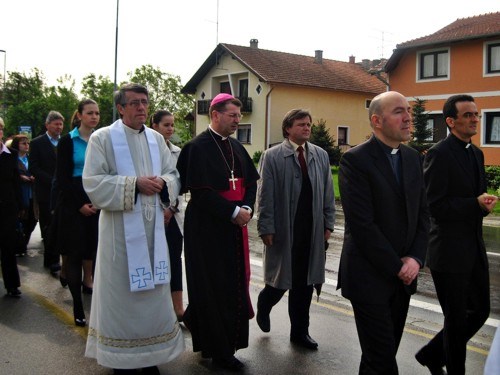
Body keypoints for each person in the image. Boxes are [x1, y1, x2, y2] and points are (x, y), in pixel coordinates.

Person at [82, 83, 184, 374]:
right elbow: (93, 182)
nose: (142, 107)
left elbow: (172, 173)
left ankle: (149, 355)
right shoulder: (103, 138)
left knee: (152, 296)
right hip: (119, 239)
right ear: (120, 108)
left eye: (145, 102)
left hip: (153, 233)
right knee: (123, 298)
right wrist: (134, 184)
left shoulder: (155, 139)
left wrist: (164, 183)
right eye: (135, 102)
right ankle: (123, 361)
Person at [337, 91, 429, 374]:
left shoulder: (413, 158)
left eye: (409, 111)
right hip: (369, 276)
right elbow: (362, 225)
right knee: (383, 359)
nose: (408, 117)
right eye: (399, 111)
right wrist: (397, 265)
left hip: (403, 279)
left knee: (379, 355)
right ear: (377, 120)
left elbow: (422, 214)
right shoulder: (355, 161)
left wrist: (415, 258)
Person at [176, 93, 259, 371]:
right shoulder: (196, 147)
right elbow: (199, 192)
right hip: (207, 230)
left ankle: (224, 340)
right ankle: (219, 352)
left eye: (239, 116)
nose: (238, 120)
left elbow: (250, 182)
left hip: (234, 229)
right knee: (212, 287)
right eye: (233, 115)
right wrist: (234, 213)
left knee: (233, 285)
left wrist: (246, 207)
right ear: (215, 114)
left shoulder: (236, 147)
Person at [416, 94, 498, 375]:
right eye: (468, 115)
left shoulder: (476, 153)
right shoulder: (439, 154)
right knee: (456, 320)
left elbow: (475, 198)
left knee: (480, 312)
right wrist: (473, 204)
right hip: (448, 251)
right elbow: (434, 206)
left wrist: (483, 205)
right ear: (451, 121)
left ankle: (431, 353)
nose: (475, 119)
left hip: (474, 248)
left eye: (476, 114)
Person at [256, 109, 335, 350]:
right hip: (283, 230)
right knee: (280, 281)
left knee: (305, 284)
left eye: (309, 124)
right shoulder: (272, 156)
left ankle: (300, 332)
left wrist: (329, 223)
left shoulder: (320, 155)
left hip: (311, 231)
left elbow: (328, 193)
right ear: (288, 128)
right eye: (301, 124)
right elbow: (265, 195)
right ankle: (264, 305)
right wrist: (266, 227)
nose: (307, 128)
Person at [53, 99, 100, 327]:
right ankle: (78, 306)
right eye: (90, 113)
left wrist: (98, 202)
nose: (94, 117)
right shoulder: (67, 142)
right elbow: (62, 178)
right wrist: (80, 205)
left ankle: (89, 287)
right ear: (79, 115)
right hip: (73, 202)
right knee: (74, 254)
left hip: (95, 200)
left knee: (92, 251)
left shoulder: (101, 140)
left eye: (97, 113)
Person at [150, 110, 185, 321]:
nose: (170, 129)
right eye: (166, 125)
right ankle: (156, 308)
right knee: (153, 260)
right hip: (149, 213)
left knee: (174, 260)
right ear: (154, 125)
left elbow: (181, 185)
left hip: (172, 215)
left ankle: (179, 309)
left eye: (172, 125)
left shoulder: (177, 152)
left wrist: (171, 209)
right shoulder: (147, 150)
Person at [29, 111, 63, 275]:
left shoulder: (64, 142)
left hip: (62, 192)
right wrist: (52, 181)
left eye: (61, 124)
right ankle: (52, 261)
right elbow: (33, 167)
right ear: (47, 125)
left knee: (60, 226)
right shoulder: (37, 143)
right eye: (56, 124)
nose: (59, 127)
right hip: (45, 192)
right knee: (48, 226)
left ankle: (55, 258)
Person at [0, 118, 23, 297]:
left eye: (0, 129)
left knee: (8, 247)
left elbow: (15, 180)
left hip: (7, 207)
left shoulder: (11, 154)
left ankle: (12, 285)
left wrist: (20, 205)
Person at [10, 134, 37, 257]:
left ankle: (23, 243)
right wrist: (20, 177)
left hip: (32, 194)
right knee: (21, 220)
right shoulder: (12, 158)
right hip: (19, 194)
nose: (27, 146)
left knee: (32, 220)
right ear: (17, 145)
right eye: (23, 143)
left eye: (28, 143)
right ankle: (18, 246)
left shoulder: (30, 158)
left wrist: (33, 176)